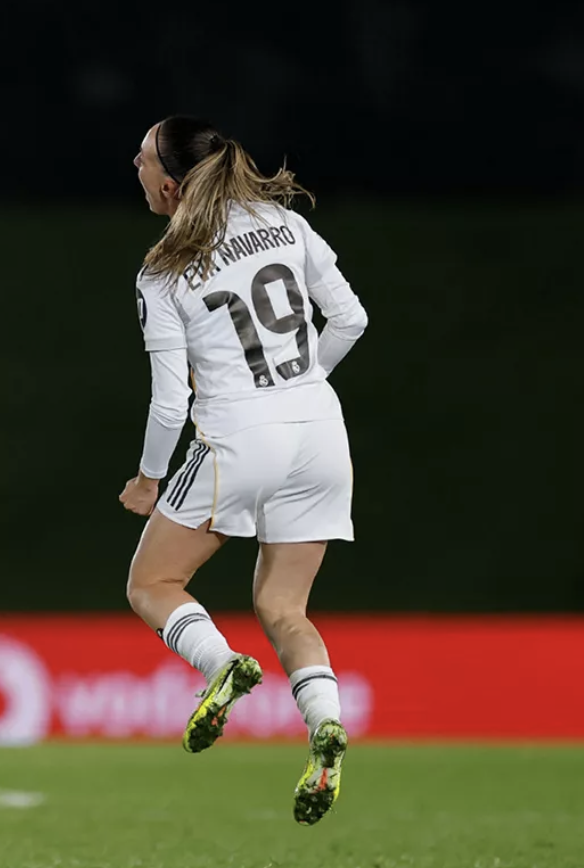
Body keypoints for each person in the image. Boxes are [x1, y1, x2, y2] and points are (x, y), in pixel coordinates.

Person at [121, 116, 368, 826]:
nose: (135, 165)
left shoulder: (164, 268)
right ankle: (326, 726)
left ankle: (220, 665)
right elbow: (350, 318)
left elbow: (170, 401)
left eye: (143, 157)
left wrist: (148, 478)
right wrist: (298, 391)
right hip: (321, 431)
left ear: (171, 184)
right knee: (286, 609)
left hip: (238, 435)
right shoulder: (282, 222)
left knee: (152, 584)